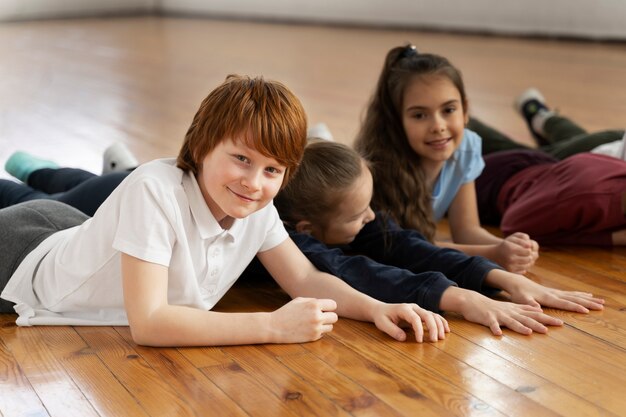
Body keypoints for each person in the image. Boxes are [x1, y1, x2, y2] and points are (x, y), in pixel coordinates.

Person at [0, 74, 450, 346]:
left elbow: (307, 278)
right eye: (241, 159)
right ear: (201, 146)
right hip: (18, 256)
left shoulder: (255, 206)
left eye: (273, 169)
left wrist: (376, 307)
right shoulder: (155, 190)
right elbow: (151, 323)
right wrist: (272, 327)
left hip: (68, 230)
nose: (254, 183)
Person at [271, 139, 604, 335]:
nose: (370, 216)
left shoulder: (345, 215)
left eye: (369, 205)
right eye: (359, 215)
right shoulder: (292, 237)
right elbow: (357, 271)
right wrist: (463, 300)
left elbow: (409, 247)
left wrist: (504, 279)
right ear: (308, 228)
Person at [353, 44, 539, 274]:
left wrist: (507, 246)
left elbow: (466, 230)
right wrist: (494, 254)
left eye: (448, 110)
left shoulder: (466, 147)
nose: (438, 126)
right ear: (396, 121)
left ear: (466, 110)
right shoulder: (378, 168)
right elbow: (402, 250)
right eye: (420, 115)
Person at [476, 149, 626, 246]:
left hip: (536, 164)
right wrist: (610, 239)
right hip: (492, 184)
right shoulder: (583, 198)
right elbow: (512, 225)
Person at [468, 88, 625, 160]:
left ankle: (539, 116)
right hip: (602, 157)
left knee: (571, 144)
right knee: (531, 164)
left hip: (609, 147)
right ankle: (467, 125)